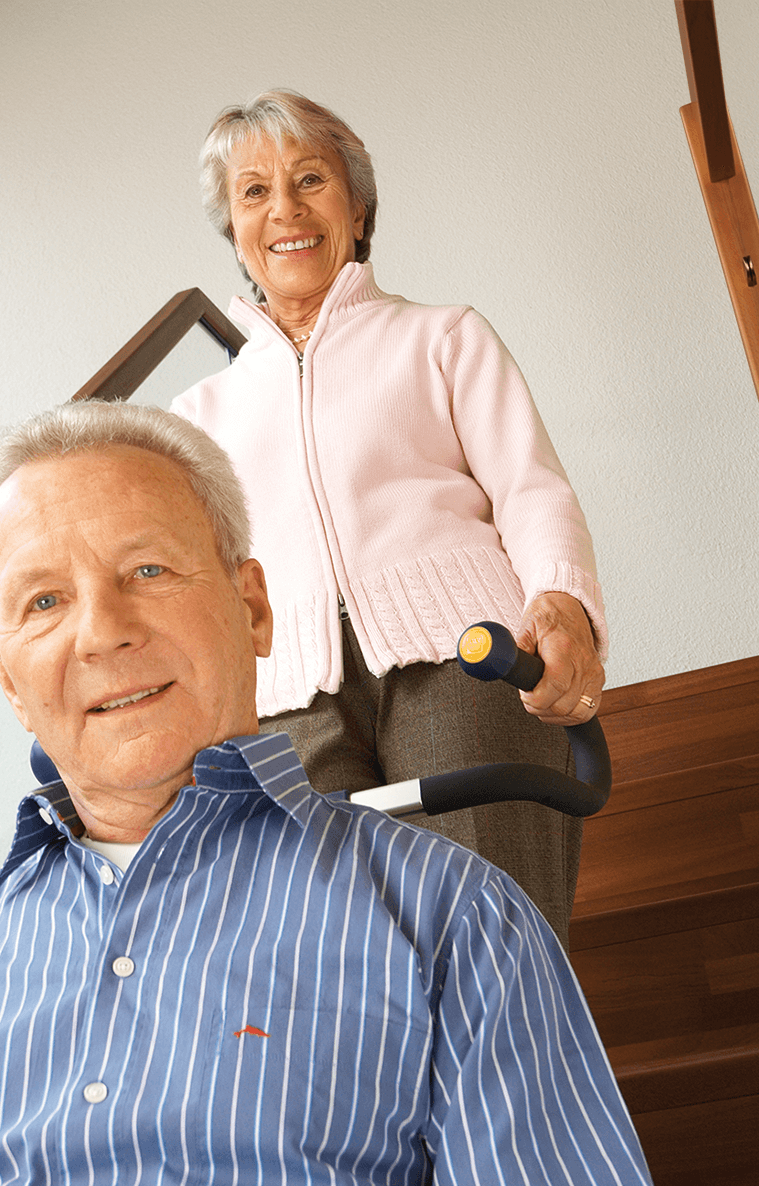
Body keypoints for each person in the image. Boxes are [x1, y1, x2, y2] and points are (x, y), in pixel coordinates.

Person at [0, 400, 651, 1185]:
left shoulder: (455, 920)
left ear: (253, 607)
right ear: (7, 682)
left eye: (149, 571)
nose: (103, 631)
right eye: (45, 600)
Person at [172, 90, 606, 944]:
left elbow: (531, 488)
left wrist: (562, 608)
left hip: (463, 659)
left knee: (492, 934)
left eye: (310, 180)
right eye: (254, 192)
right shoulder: (198, 413)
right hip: (287, 696)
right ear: (232, 228)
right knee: (337, 964)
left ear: (358, 207)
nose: (285, 210)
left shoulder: (443, 338)